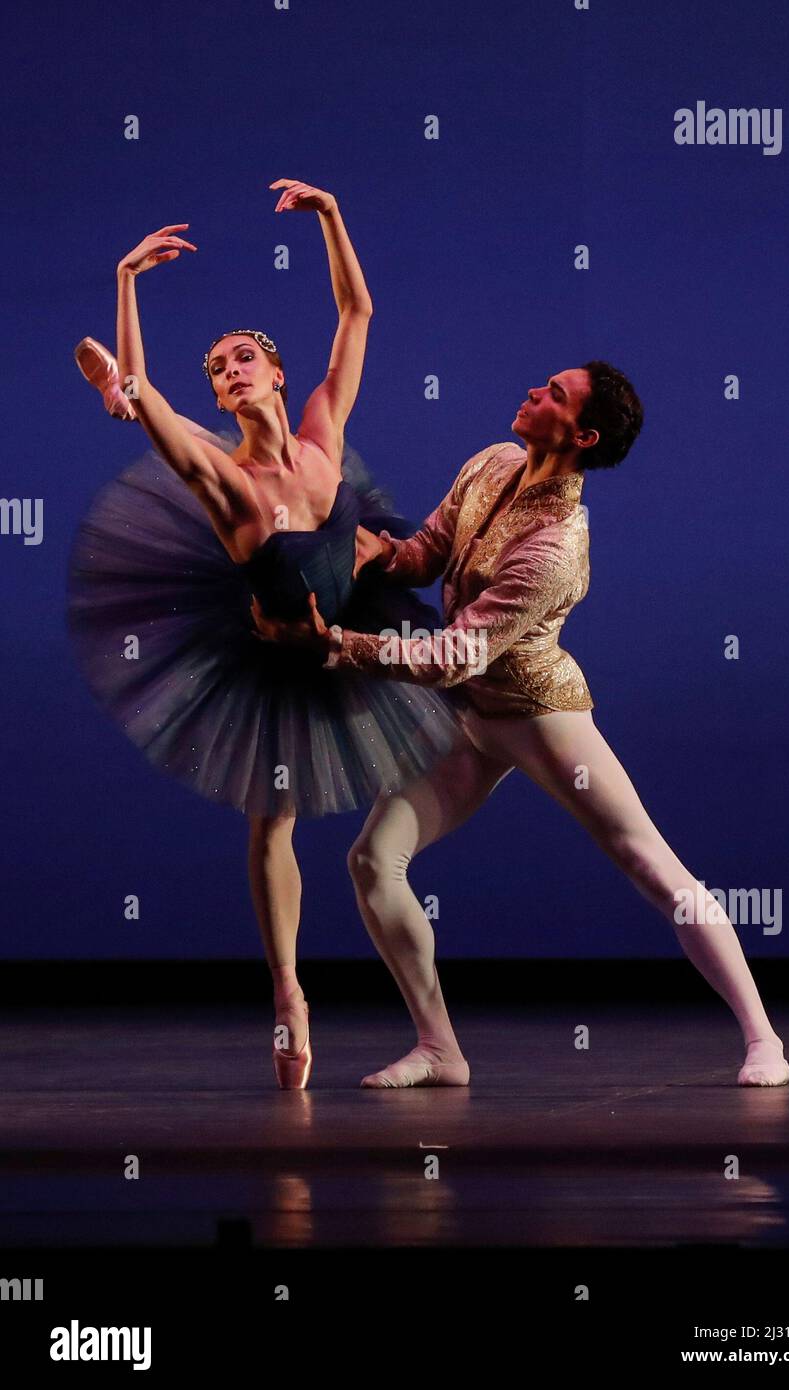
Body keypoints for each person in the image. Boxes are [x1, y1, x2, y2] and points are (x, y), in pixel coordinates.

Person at [251, 361, 789, 1090]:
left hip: (539, 715)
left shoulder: (558, 545)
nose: (535, 392)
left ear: (581, 434)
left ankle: (764, 1039)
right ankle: (440, 1048)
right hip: (468, 719)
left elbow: (456, 655)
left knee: (649, 863)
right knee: (373, 861)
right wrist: (376, 552)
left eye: (555, 396)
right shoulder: (492, 462)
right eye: (543, 383)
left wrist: (337, 647)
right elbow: (430, 552)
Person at [66, 180, 462, 1091]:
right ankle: (289, 992)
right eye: (217, 370)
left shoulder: (323, 432)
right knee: (274, 818)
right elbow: (144, 400)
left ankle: (433, 1026)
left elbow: (357, 311)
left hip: (352, 629)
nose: (230, 372)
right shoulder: (222, 479)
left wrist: (330, 215)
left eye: (242, 358)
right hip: (277, 653)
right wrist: (126, 282)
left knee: (455, 724)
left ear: (276, 374)